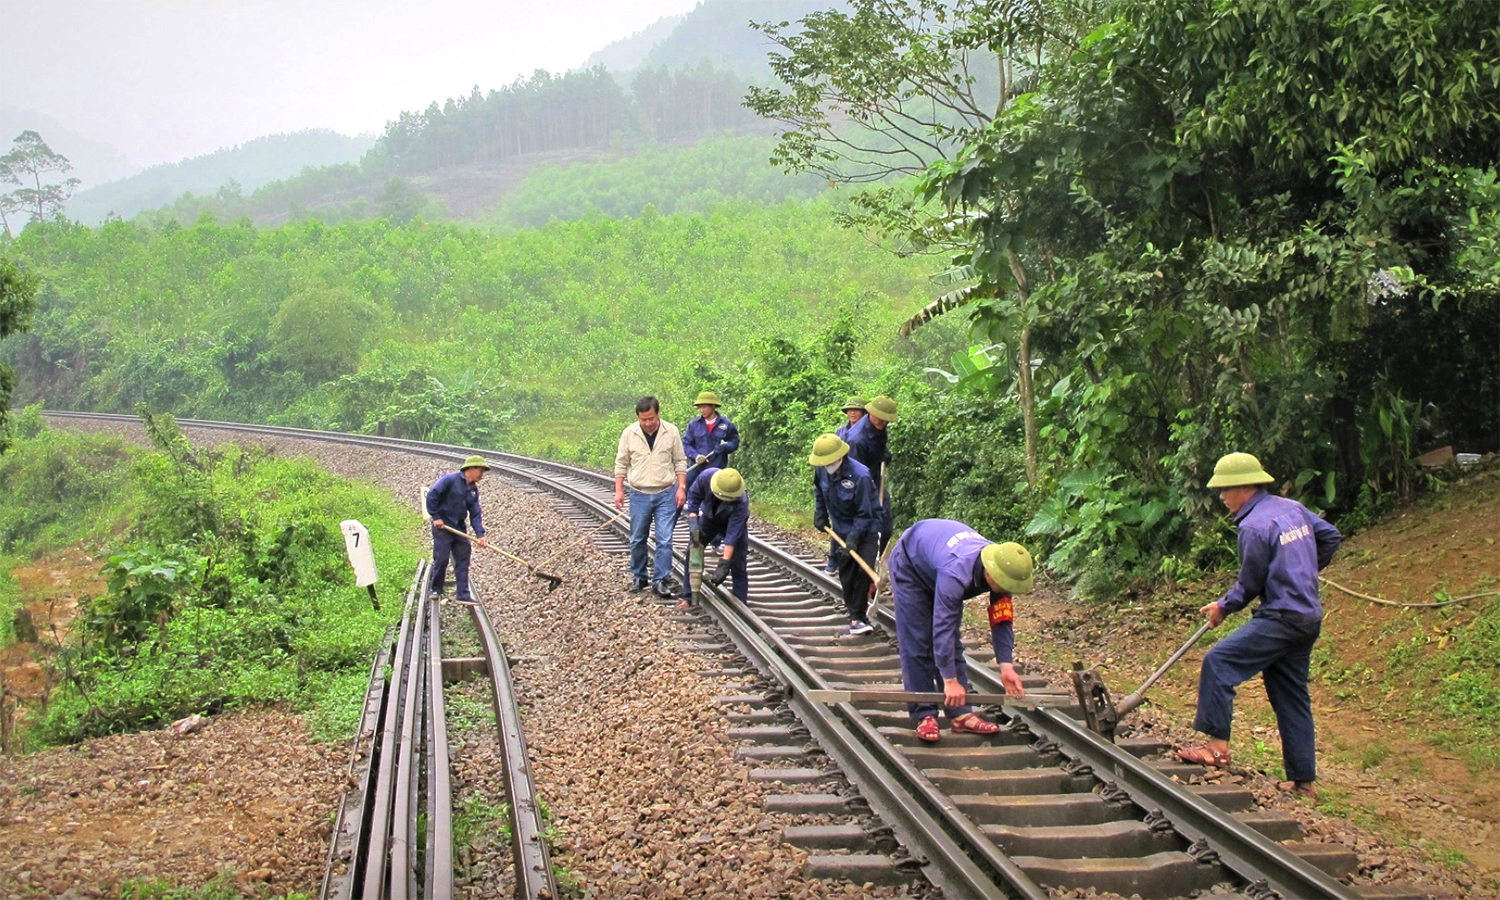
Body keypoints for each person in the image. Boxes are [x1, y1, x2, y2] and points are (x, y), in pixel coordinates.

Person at [1176, 452, 1340, 801]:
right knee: (1290, 694)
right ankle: (1303, 782)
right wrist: (1304, 571)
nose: (1221, 497)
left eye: (1226, 489)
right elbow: (1330, 536)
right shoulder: (1292, 508)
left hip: (1282, 616)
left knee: (1219, 663)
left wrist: (1223, 607)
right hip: (1308, 617)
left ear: (1247, 486)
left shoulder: (1253, 526)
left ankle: (1216, 749)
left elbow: (1249, 583)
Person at [887, 518, 1033, 743]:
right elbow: (942, 628)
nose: (1006, 592)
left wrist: (1006, 667)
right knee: (918, 640)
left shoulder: (1003, 565)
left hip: (935, 559)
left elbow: (1002, 621)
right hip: (910, 565)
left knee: (952, 642)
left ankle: (961, 715)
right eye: (1004, 587)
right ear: (991, 575)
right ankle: (924, 714)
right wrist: (950, 681)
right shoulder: (956, 572)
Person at [614, 396, 688, 598]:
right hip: (639, 494)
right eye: (643, 419)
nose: (647, 423)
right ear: (638, 417)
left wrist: (681, 488)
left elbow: (680, 462)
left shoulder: (671, 431)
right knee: (638, 538)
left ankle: (661, 580)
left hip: (666, 493)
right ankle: (639, 576)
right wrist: (619, 490)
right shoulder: (629, 434)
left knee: (665, 539)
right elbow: (621, 464)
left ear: (658, 414)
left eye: (651, 418)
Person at [809, 433, 881, 636]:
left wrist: (854, 539)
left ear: (840, 457)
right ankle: (855, 613)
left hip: (866, 529)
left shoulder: (861, 476)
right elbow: (818, 490)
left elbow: (865, 513)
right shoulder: (822, 470)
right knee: (847, 574)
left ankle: (857, 617)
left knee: (862, 573)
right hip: (840, 529)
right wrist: (820, 513)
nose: (827, 466)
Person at [679, 467, 750, 609]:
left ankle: (740, 602)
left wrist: (724, 563)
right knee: (694, 549)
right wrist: (693, 522)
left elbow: (732, 536)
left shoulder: (741, 502)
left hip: (730, 521)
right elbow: (693, 498)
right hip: (709, 518)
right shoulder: (706, 476)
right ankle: (688, 596)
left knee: (738, 561)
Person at [426, 455, 491, 604]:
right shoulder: (450, 480)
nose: (482, 474)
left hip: (459, 528)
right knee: (441, 559)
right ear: (471, 469)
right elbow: (431, 496)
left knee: (463, 559)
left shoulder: (473, 490)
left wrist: (480, 534)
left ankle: (462, 594)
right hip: (443, 527)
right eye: (480, 470)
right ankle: (436, 589)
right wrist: (436, 517)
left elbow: (475, 513)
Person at [682, 390, 740, 553]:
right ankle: (692, 538)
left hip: (717, 471)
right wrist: (696, 455)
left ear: (713, 406)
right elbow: (686, 444)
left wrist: (725, 447)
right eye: (699, 407)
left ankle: (716, 542)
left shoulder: (726, 425)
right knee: (686, 498)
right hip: (697, 470)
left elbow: (735, 442)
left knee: (716, 506)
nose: (701, 410)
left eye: (704, 406)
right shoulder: (694, 425)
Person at [845, 395, 898, 554]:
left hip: (875, 480)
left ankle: (874, 562)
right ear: (871, 413)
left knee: (885, 529)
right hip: (858, 486)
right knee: (866, 530)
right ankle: (859, 567)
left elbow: (878, 448)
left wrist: (884, 455)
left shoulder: (879, 426)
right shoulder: (857, 440)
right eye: (881, 419)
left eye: (887, 420)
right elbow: (854, 475)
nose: (884, 423)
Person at [825, 396, 868, 573]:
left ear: (864, 413)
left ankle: (857, 563)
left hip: (861, 482)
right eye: (849, 410)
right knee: (839, 522)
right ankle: (834, 559)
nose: (852, 413)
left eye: (856, 410)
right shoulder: (840, 432)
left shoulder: (869, 433)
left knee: (861, 523)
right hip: (840, 481)